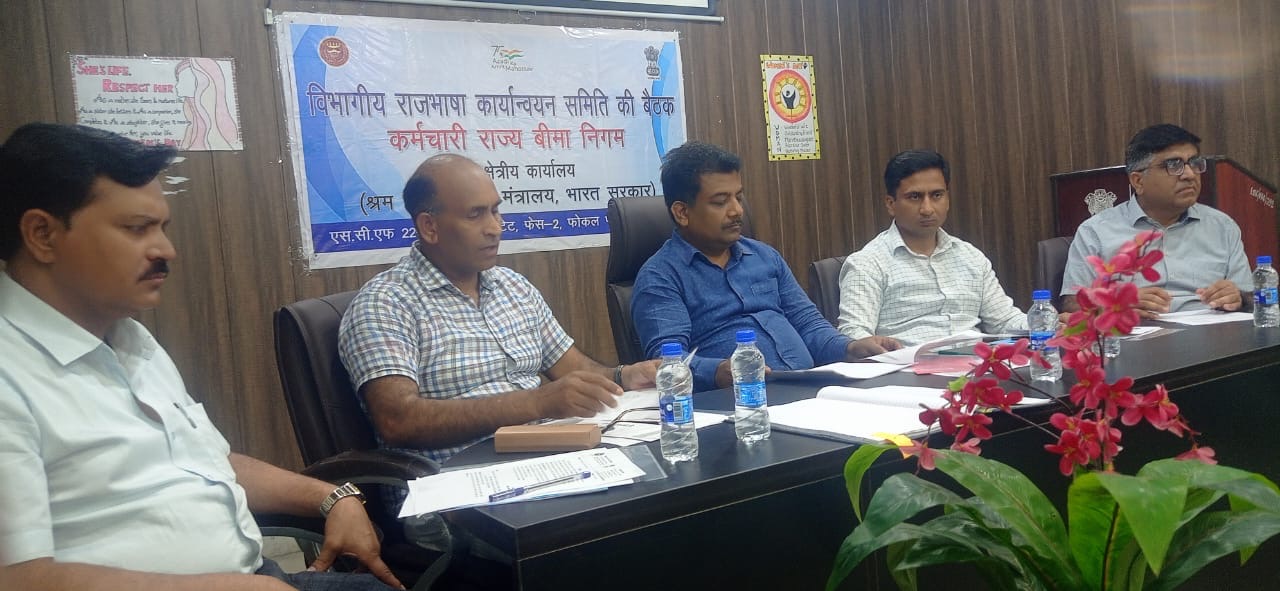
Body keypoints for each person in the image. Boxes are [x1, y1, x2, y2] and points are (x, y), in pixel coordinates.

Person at [0, 123, 400, 591]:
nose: (165, 250)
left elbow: (209, 462)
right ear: (43, 235)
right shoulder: (11, 373)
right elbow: (18, 577)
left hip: (252, 577)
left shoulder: (128, 337)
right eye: (136, 229)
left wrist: (333, 496)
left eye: (162, 228)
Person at [339, 154, 658, 465]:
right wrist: (536, 402)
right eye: (475, 215)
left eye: (495, 210)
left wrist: (625, 375)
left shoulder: (513, 286)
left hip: (547, 456)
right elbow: (398, 420)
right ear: (429, 226)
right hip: (459, 480)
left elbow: (574, 369)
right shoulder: (386, 303)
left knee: (657, 472)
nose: (495, 228)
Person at [630, 141, 899, 393]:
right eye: (720, 202)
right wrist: (717, 371)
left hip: (811, 389)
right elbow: (666, 361)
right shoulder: (660, 277)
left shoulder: (764, 256)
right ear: (682, 212)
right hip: (738, 402)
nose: (737, 210)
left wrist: (851, 347)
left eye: (738, 197)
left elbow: (809, 325)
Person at [837, 149, 1028, 346]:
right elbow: (854, 334)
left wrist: (1043, 322)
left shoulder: (970, 256)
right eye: (915, 197)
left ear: (947, 199)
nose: (927, 209)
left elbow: (1004, 321)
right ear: (891, 204)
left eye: (937, 195)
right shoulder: (867, 263)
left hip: (975, 360)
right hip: (909, 363)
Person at [1061, 124, 1250, 316]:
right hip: (1138, 330)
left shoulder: (1222, 226)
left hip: (1213, 330)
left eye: (1194, 163)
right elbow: (1072, 305)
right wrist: (1117, 304)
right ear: (1138, 181)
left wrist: (1238, 297)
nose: (1190, 174)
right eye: (1173, 165)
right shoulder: (1096, 232)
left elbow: (1251, 297)